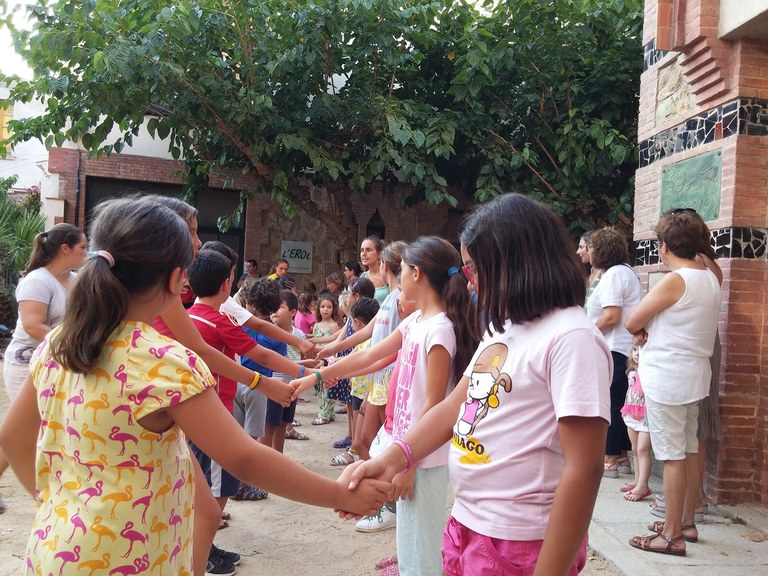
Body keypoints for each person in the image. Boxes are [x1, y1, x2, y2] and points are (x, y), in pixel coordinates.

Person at [0, 197, 389, 576]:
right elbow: (245, 458)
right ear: (176, 279)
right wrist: (338, 494)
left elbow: (13, 440)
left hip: (56, 546)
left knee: (205, 510)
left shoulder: (58, 342)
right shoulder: (164, 362)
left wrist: (57, 502)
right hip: (130, 556)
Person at [342, 193, 611, 576]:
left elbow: (584, 469)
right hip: (469, 525)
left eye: (472, 269)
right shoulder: (503, 328)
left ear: (513, 264)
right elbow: (453, 407)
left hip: (521, 540)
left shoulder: (571, 337)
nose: (467, 282)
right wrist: (388, 461)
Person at [294, 236, 478, 574]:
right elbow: (370, 358)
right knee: (409, 537)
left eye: (403, 269)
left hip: (422, 457)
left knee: (422, 546)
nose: (397, 276)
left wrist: (409, 465)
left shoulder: (440, 331)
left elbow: (436, 408)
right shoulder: (415, 322)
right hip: (406, 447)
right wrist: (317, 377)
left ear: (418, 274)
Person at [625, 209, 721, 556]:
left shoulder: (676, 280)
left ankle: (670, 535)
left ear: (664, 246)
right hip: (695, 375)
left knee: (672, 456)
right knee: (690, 450)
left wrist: (642, 331)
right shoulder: (710, 276)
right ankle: (685, 523)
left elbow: (632, 320)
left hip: (667, 376)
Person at [0, 223, 86, 514]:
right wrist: (74, 346)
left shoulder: (73, 280)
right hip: (26, 365)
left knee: (30, 429)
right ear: (65, 249)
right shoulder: (38, 280)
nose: (86, 253)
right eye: (82, 248)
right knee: (31, 430)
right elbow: (33, 325)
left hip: (56, 362)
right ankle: (47, 497)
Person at [318, 242, 408, 464]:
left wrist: (341, 365)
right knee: (365, 440)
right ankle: (376, 486)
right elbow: (369, 331)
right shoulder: (389, 297)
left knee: (380, 440)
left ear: (385, 264)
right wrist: (332, 349)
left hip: (389, 375)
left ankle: (382, 488)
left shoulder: (402, 299)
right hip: (376, 377)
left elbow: (398, 346)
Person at [584, 228, 643, 478]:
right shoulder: (623, 272)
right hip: (619, 348)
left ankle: (610, 457)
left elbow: (611, 317)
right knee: (618, 402)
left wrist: (584, 332)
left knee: (612, 404)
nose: (588, 252)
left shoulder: (614, 275)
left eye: (590, 248)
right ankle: (619, 456)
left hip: (615, 348)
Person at [268, 290, 308, 451]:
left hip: (292, 387)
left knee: (283, 425)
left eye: (280, 307)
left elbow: (306, 359)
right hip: (273, 386)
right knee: (269, 426)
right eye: (273, 307)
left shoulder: (299, 336)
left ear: (292, 313)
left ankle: (278, 457)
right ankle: (265, 463)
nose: (274, 311)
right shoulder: (268, 332)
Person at [620, 345, 653, 502]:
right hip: (632, 413)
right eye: (634, 349)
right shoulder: (631, 371)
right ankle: (637, 479)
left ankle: (643, 485)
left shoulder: (650, 371)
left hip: (646, 415)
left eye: (642, 350)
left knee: (643, 449)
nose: (637, 353)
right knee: (634, 449)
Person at [310, 293, 345, 425]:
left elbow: (336, 343)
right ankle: (326, 411)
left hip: (329, 360)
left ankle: (325, 414)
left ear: (333, 309)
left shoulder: (334, 325)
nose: (325, 309)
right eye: (323, 306)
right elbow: (314, 344)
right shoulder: (317, 326)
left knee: (327, 386)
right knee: (318, 386)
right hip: (317, 359)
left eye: (329, 307)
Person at [360, 236, 390, 304]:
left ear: (379, 253)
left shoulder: (388, 275)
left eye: (368, 250)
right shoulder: (363, 276)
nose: (364, 254)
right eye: (362, 250)